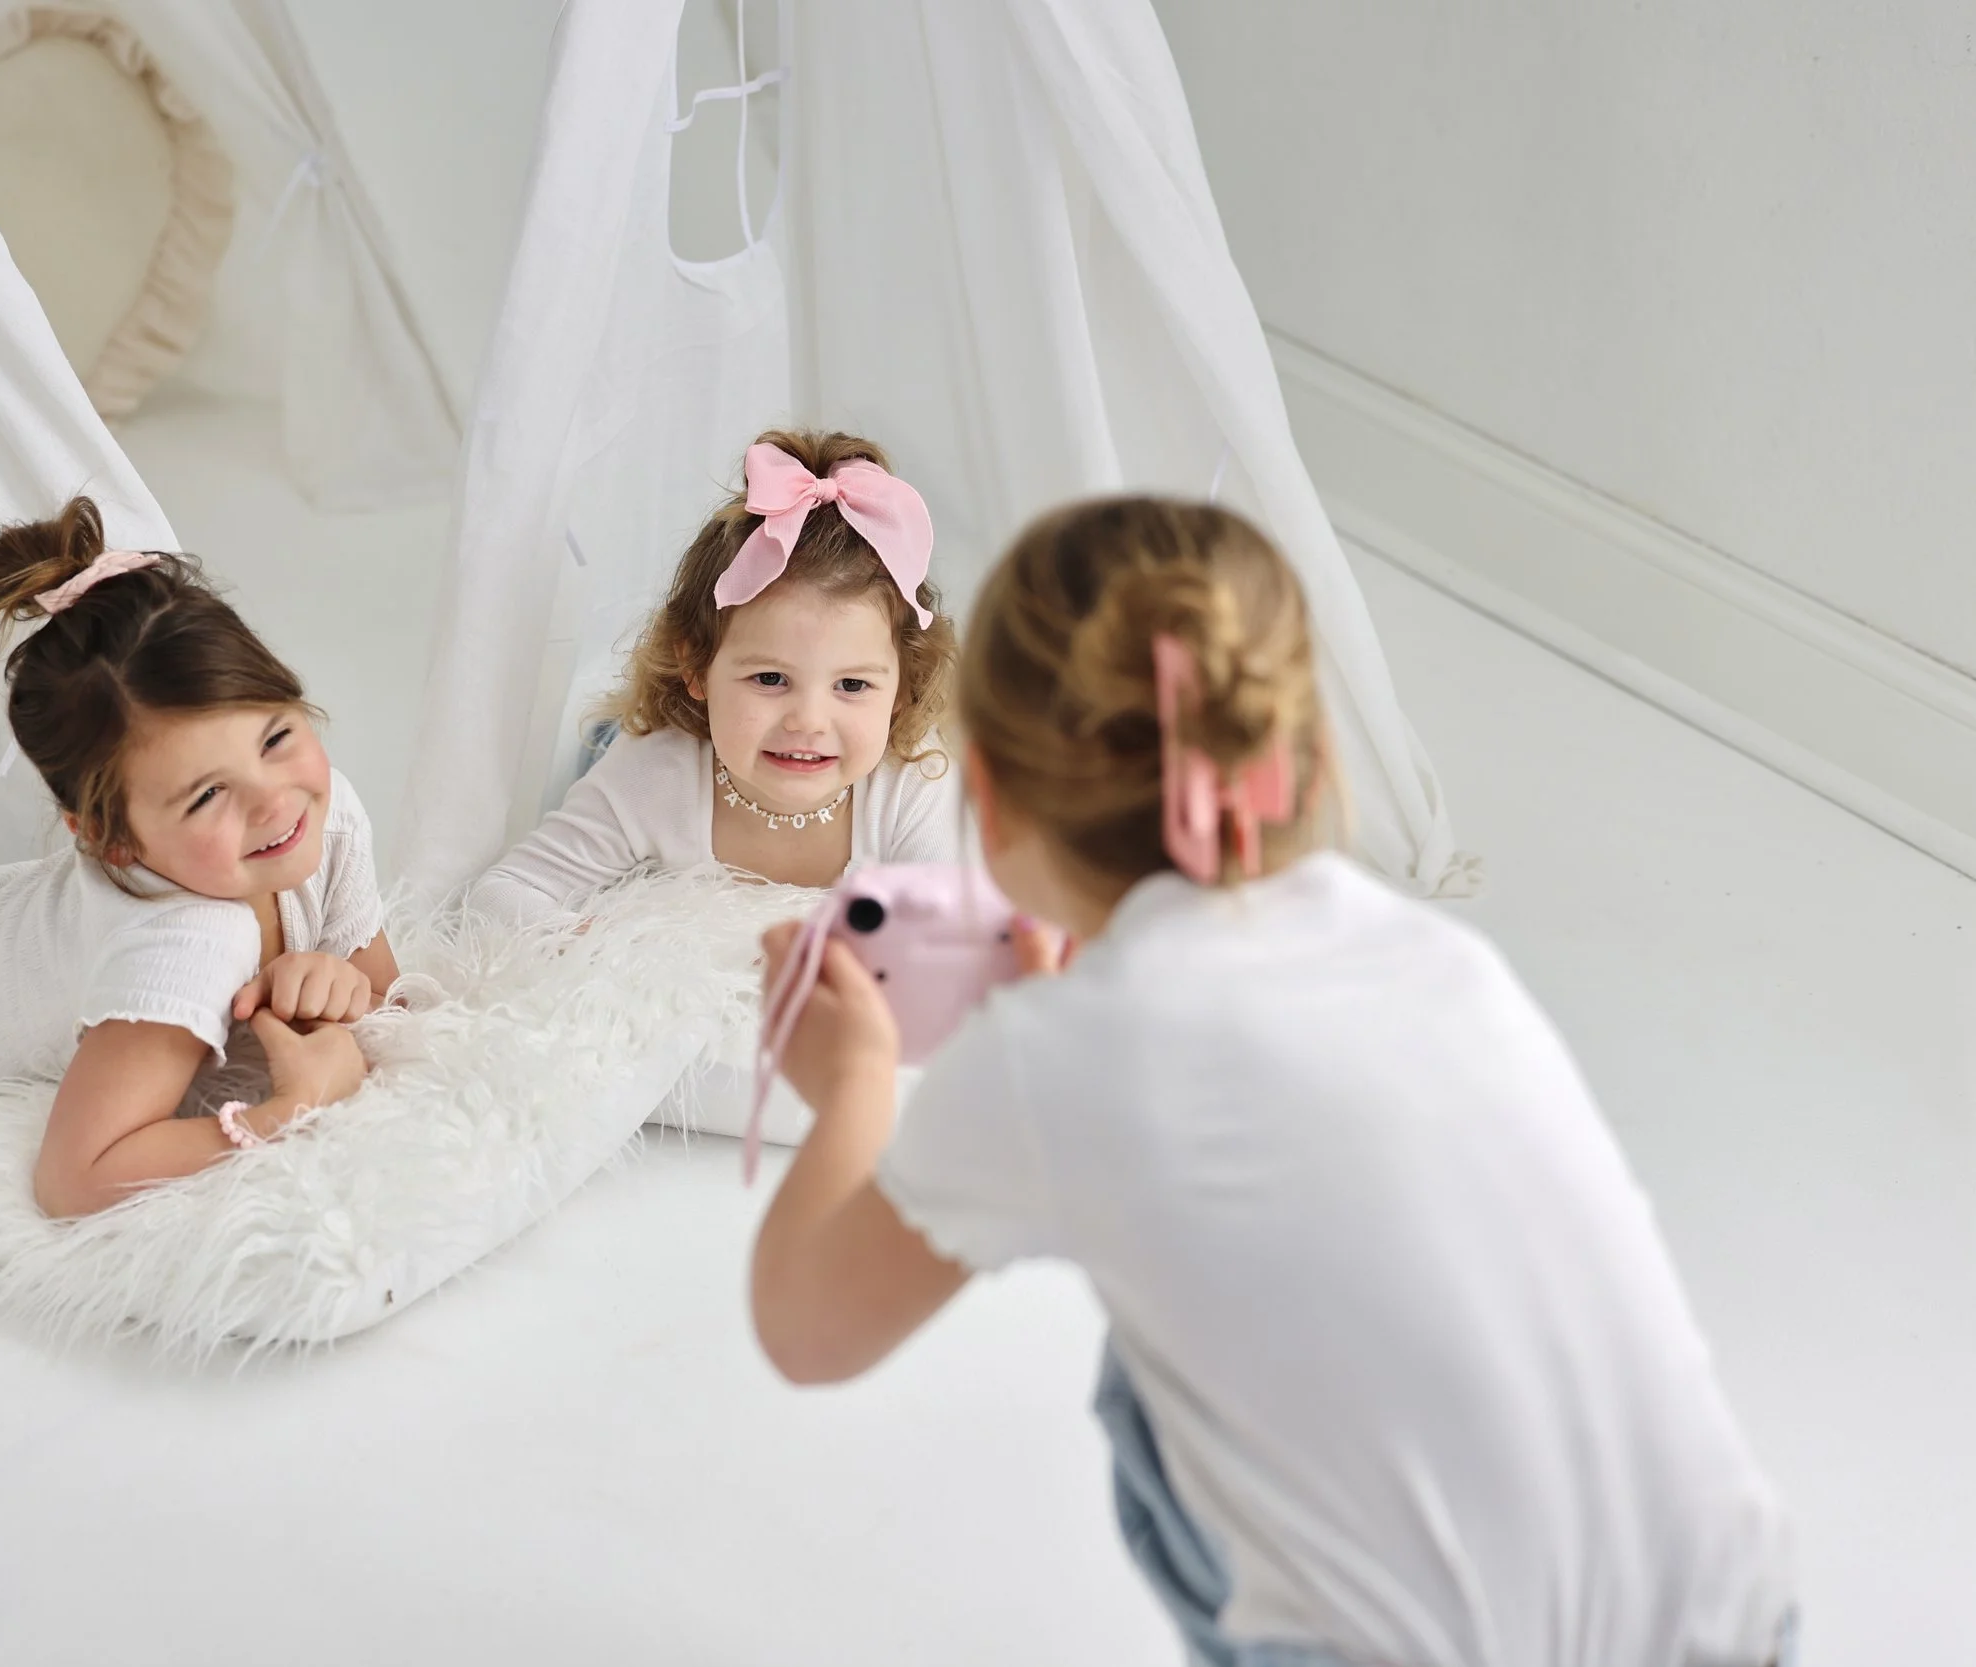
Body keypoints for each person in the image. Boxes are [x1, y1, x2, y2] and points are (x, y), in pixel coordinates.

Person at [747, 496, 1797, 1666]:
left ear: (984, 793)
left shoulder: (1052, 1063)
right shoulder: (1442, 963)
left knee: (1143, 1383)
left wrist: (856, 1078)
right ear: (1295, 757)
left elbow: (806, 1328)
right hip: (1735, 1627)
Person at [0, 497, 396, 1218]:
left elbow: (385, 998)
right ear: (110, 839)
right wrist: (292, 1107)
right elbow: (75, 1178)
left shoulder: (332, 815)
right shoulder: (187, 941)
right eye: (206, 796)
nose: (273, 800)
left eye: (275, 736)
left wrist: (335, 983)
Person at [471, 430, 961, 919]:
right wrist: (595, 950)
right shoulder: (653, 776)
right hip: (647, 741)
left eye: (852, 685)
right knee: (602, 734)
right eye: (770, 678)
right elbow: (504, 891)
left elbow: (946, 934)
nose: (808, 721)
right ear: (695, 667)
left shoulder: (912, 782)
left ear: (903, 688)